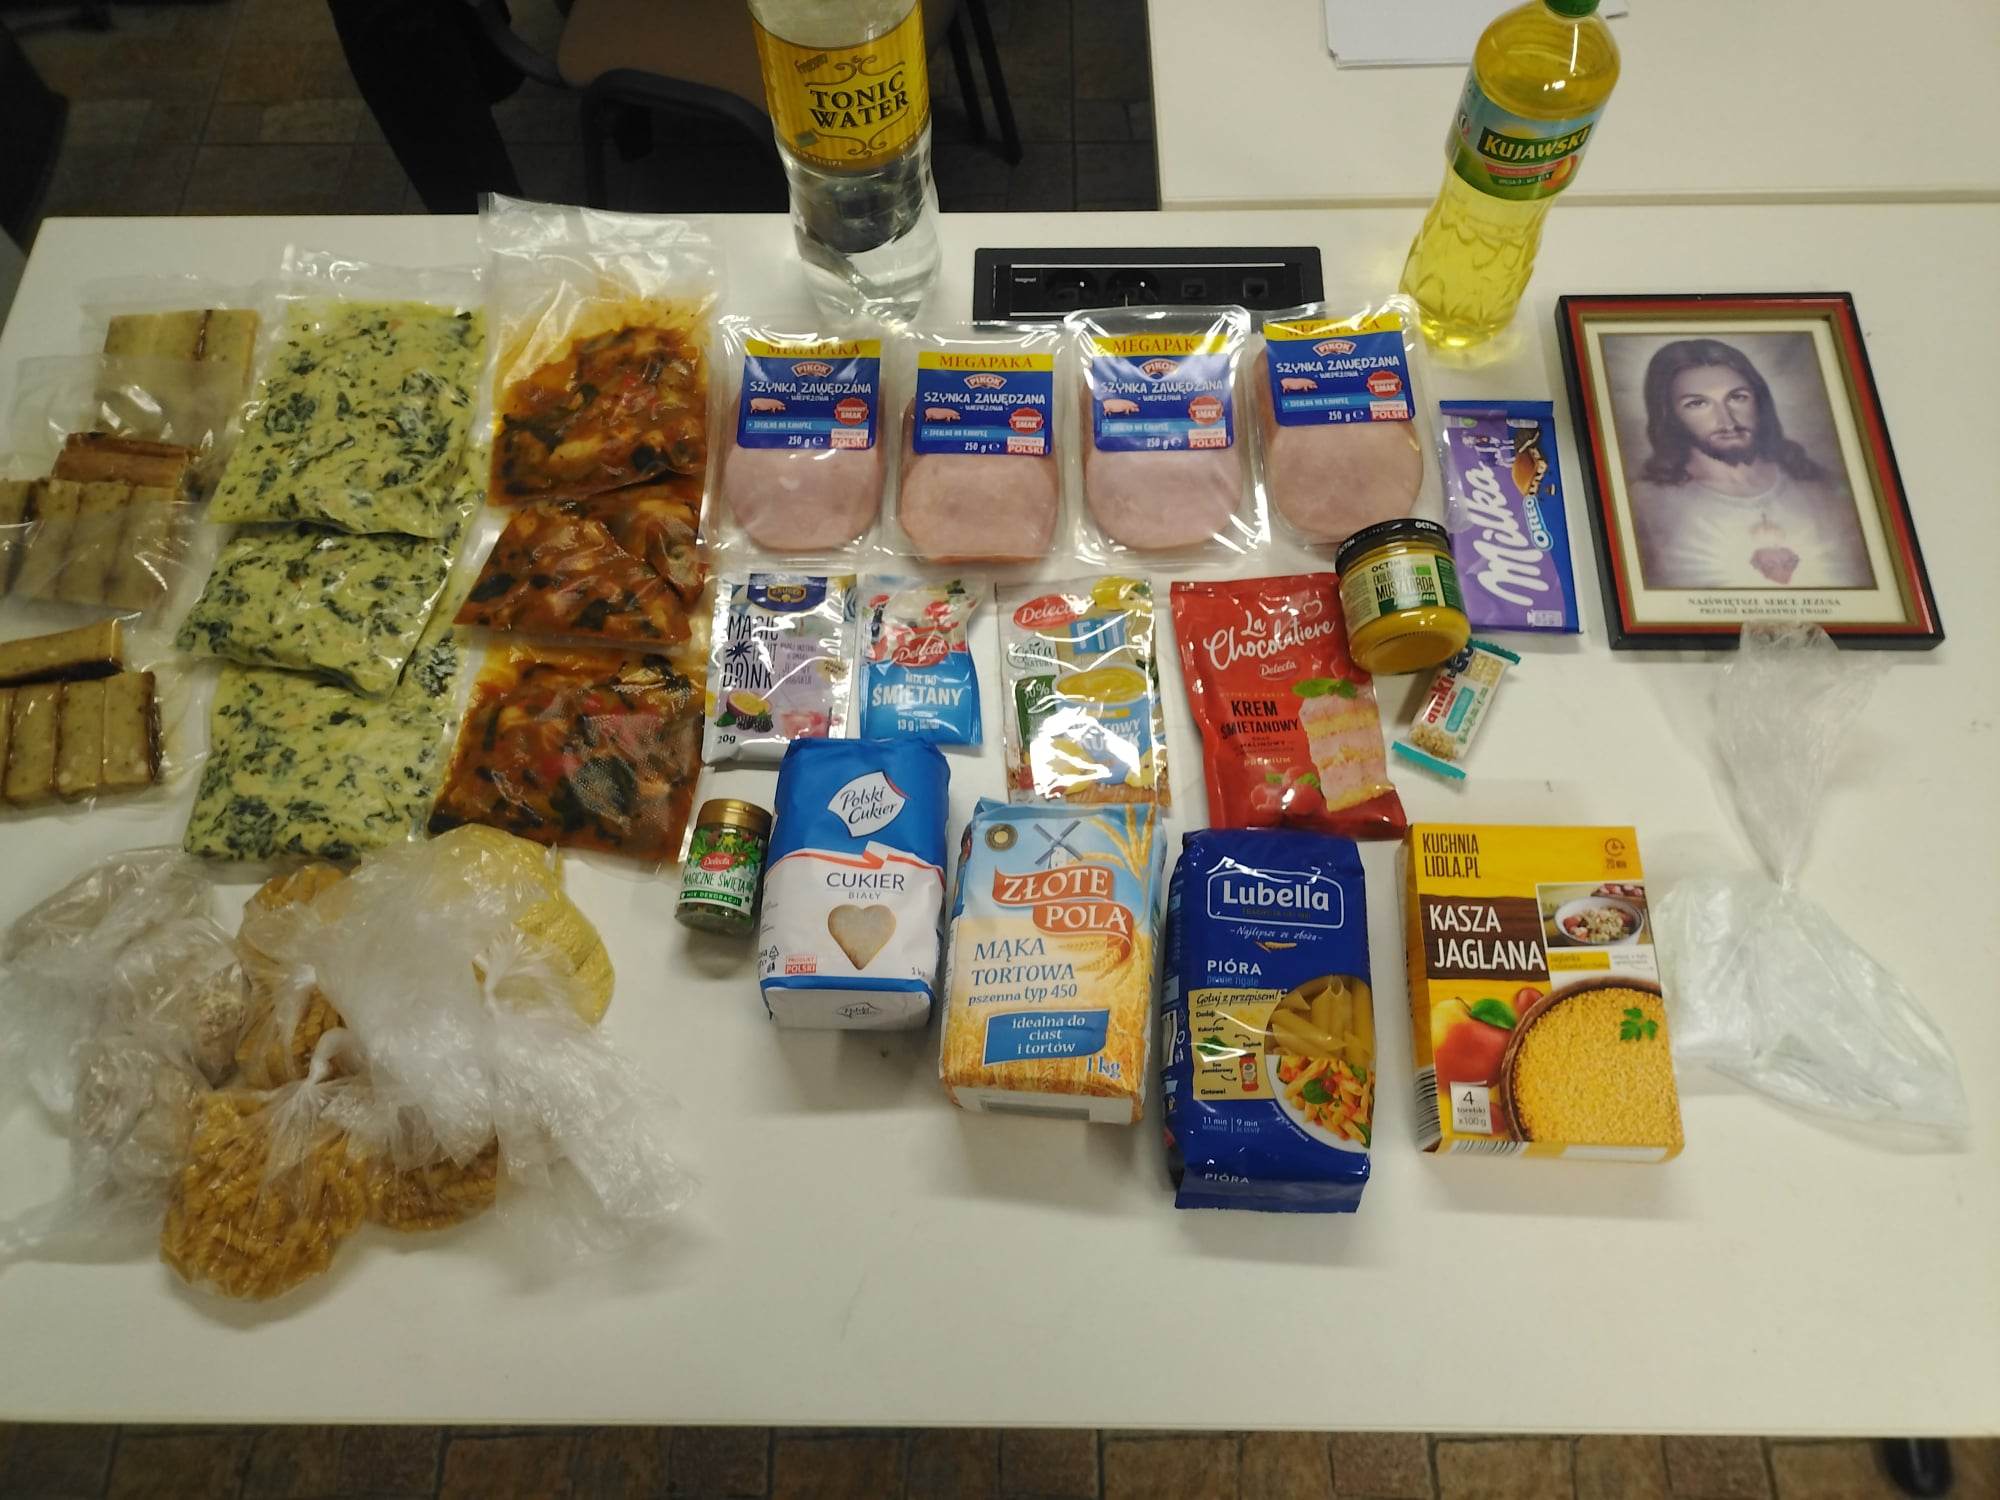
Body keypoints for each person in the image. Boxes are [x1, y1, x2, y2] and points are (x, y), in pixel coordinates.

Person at [1624, 338, 1874, 589]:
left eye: (1737, 397)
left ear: (1759, 401)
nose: (1727, 421)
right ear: (1668, 414)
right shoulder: (1643, 505)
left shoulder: (1826, 490)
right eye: (1697, 404)